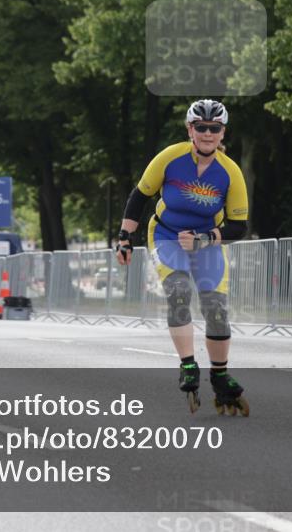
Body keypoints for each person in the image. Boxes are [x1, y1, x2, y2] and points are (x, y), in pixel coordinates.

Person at [116, 99, 250, 416]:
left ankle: (219, 375)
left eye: (214, 128)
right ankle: (188, 365)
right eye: (200, 127)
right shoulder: (170, 158)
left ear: (222, 133)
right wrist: (124, 238)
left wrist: (204, 240)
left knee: (215, 308)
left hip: (207, 242)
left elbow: (239, 226)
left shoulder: (230, 172)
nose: (207, 133)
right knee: (179, 292)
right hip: (167, 235)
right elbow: (139, 196)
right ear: (190, 129)